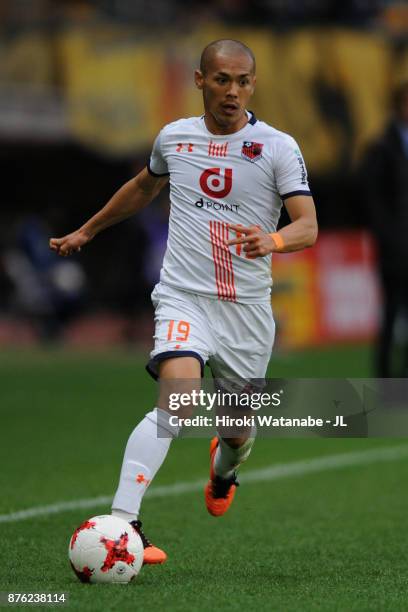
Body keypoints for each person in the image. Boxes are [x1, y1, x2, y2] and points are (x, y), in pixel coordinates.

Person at [49, 39, 318, 565]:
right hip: (183, 297)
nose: (233, 91)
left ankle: (225, 467)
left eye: (243, 81)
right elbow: (142, 187)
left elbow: (308, 224)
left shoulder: (279, 147)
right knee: (177, 401)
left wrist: (275, 241)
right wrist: (88, 230)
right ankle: (125, 525)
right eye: (222, 80)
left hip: (245, 309)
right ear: (200, 81)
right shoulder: (175, 138)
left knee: (238, 431)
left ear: (253, 85)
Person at [359, 81, 408, 377]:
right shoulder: (381, 148)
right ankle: (386, 379)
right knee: (391, 314)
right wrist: (391, 239)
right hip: (394, 251)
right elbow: (372, 201)